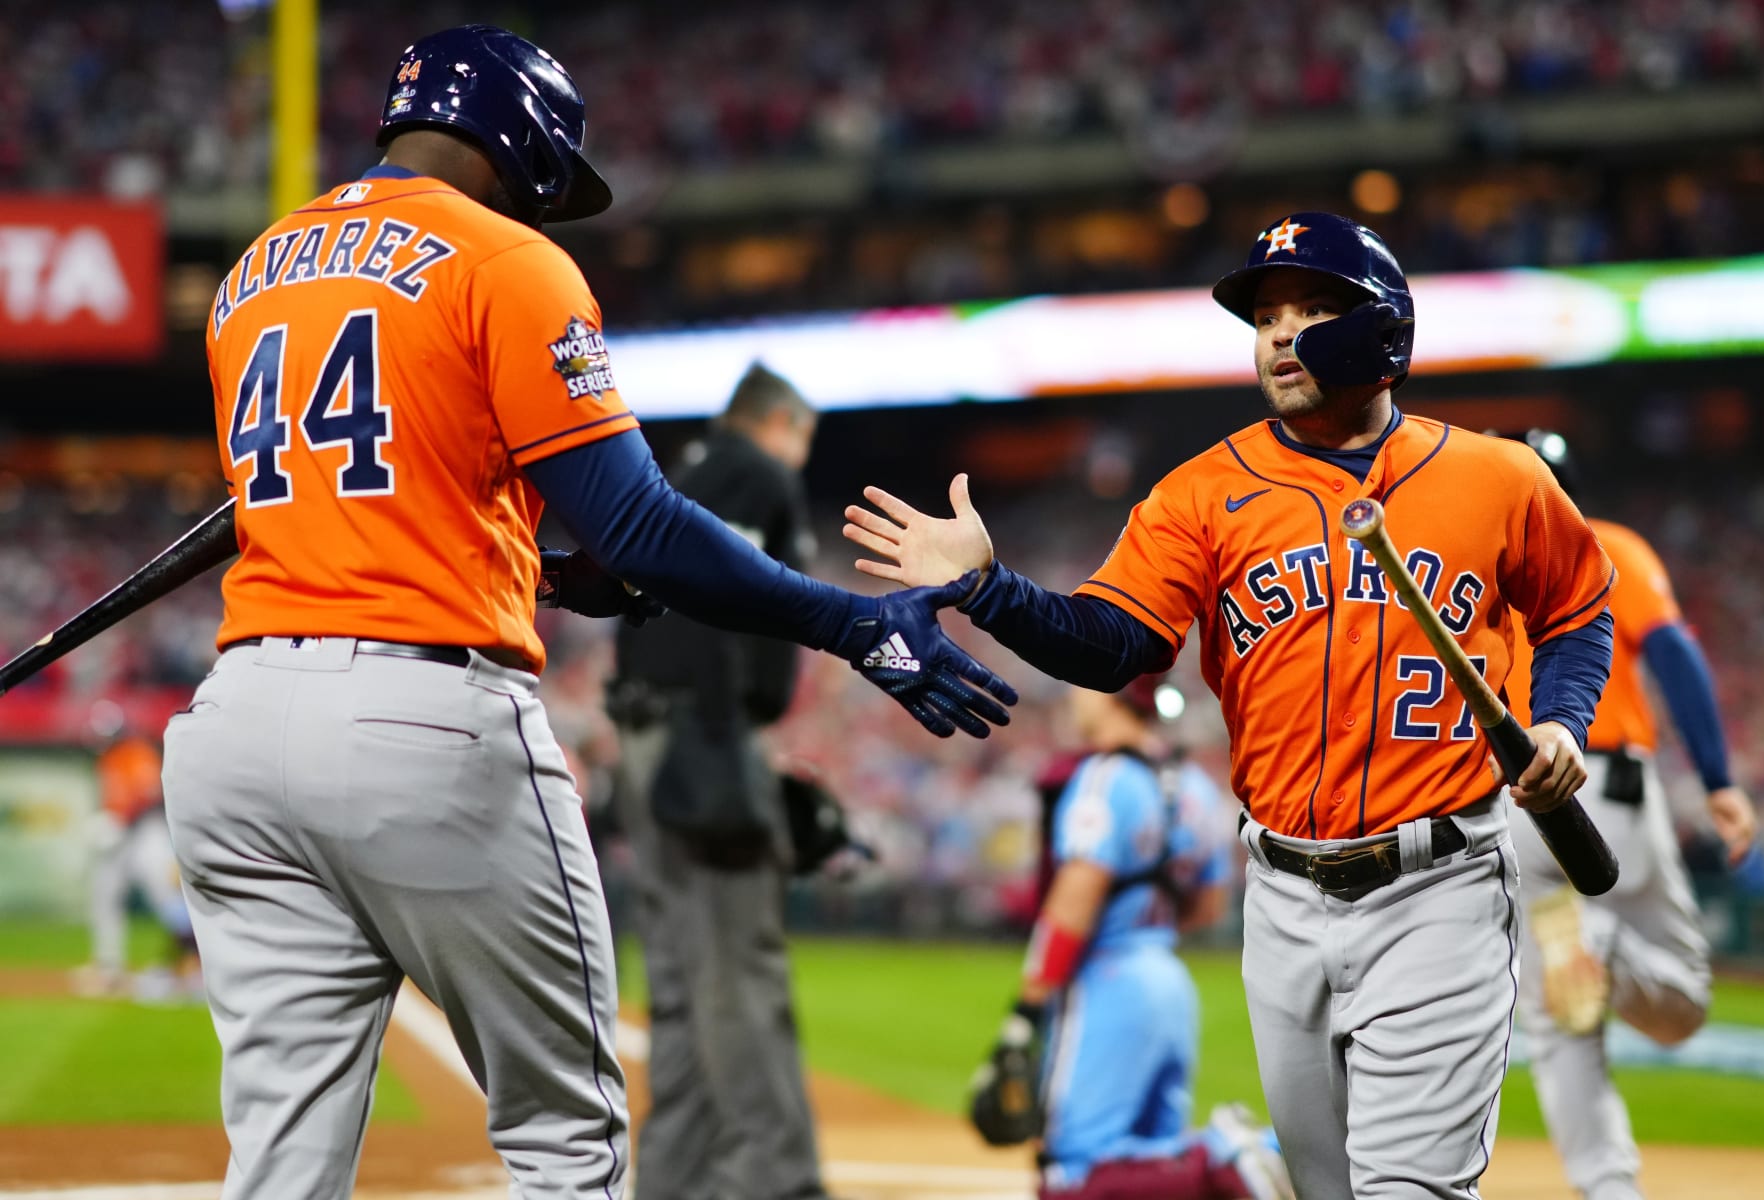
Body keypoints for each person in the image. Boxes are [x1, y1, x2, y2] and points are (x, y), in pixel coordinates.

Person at [164, 24, 1013, 1200]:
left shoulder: (250, 273)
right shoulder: (502, 258)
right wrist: (849, 621)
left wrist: (556, 572)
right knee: (569, 1140)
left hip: (234, 733)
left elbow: (376, 498)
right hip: (421, 726)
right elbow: (643, 522)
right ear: (524, 148)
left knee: (282, 1163)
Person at [844, 212, 1617, 1199]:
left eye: (1312, 310)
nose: (1279, 334)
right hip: (1285, 897)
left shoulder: (1496, 476)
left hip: (1442, 886)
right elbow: (1111, 643)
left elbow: (1576, 609)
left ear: (1383, 328)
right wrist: (992, 588)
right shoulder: (1203, 493)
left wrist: (1559, 719)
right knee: (1321, 1189)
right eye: (1265, 317)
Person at [1498, 429, 1758, 1200]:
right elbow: (1673, 654)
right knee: (1681, 1003)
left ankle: (1608, 1186)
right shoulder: (1604, 544)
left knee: (1562, 1019)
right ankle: (1603, 948)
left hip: (1512, 803)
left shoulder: (1478, 564)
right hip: (1605, 790)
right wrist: (1718, 778)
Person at [607, 363, 835, 1200]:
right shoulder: (761, 472)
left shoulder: (682, 471)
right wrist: (731, 733)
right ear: (780, 424)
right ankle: (779, 1182)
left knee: (677, 980)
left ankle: (675, 1180)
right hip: (699, 734)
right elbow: (741, 606)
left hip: (643, 735)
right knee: (741, 970)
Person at [976, 675, 1295, 1200]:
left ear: (1109, 692)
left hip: (1108, 976)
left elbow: (1072, 903)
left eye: (1080, 684)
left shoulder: (1105, 776)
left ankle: (1232, 1161)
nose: (1074, 696)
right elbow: (1206, 904)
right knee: (1150, 1167)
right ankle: (1230, 1160)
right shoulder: (1192, 782)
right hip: (1168, 978)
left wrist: (1023, 1016)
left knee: (1068, 1175)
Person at [75, 719, 198, 1001]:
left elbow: (150, 795)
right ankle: (108, 966)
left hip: (145, 833)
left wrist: (122, 823)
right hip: (119, 837)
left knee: (167, 897)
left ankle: (193, 962)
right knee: (104, 897)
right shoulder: (107, 759)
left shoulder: (136, 751)